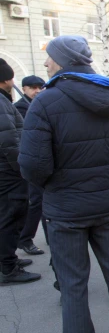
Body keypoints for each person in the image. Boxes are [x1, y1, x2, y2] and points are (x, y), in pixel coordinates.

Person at [18, 36, 109, 333]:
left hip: (65, 210)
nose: (45, 64)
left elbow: (32, 166)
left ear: (61, 61)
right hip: (107, 203)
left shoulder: (45, 103)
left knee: (73, 283)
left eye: (49, 59)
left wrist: (55, 186)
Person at [0, 58, 41, 286]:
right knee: (10, 216)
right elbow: (8, 140)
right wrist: (22, 168)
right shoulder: (1, 102)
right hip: (9, 173)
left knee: (8, 215)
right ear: (5, 79)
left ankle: (7, 259)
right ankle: (8, 269)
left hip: (7, 171)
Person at [13, 75, 47, 256]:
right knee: (36, 201)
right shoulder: (20, 107)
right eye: (32, 88)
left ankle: (48, 237)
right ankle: (25, 239)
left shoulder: (40, 105)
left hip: (42, 160)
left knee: (42, 200)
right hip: (29, 161)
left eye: (40, 87)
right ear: (24, 89)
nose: (37, 91)